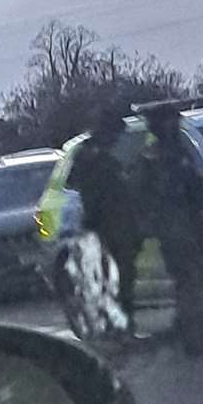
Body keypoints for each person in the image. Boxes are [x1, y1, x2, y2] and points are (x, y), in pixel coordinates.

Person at [141, 104, 203, 355]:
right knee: (189, 282)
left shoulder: (172, 152)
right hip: (177, 230)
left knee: (190, 282)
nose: (176, 124)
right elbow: (177, 192)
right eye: (171, 120)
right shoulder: (163, 157)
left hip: (182, 228)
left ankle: (190, 329)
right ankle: (195, 338)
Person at [68, 101, 143, 333]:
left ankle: (122, 327)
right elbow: (88, 190)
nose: (116, 139)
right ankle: (117, 329)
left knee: (122, 278)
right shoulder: (93, 156)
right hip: (105, 227)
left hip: (116, 226)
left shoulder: (101, 155)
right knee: (113, 280)